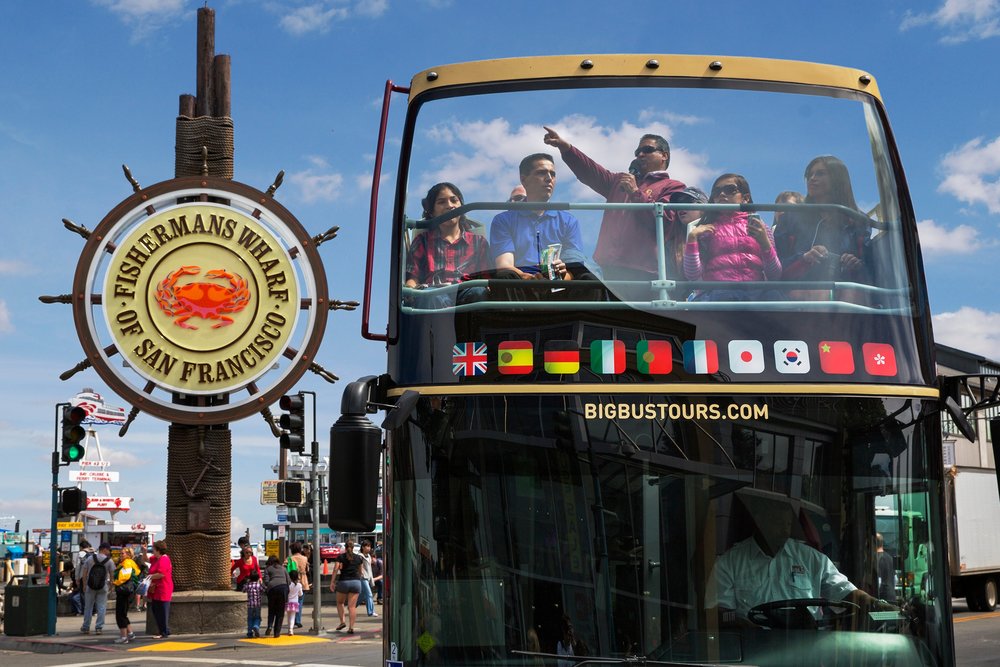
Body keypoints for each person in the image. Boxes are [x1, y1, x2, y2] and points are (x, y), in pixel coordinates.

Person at [708, 491, 891, 628]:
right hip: (753, 646)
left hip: (806, 646)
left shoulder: (811, 559)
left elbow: (845, 591)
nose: (783, 531)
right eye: (776, 524)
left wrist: (877, 604)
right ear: (760, 521)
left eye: (787, 524)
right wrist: (750, 629)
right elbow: (717, 612)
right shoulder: (731, 562)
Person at [543, 127, 687, 297]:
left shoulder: (673, 187)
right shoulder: (619, 181)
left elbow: (664, 224)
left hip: (642, 272)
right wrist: (567, 149)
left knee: (635, 322)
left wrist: (635, 193)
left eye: (647, 150)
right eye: (637, 151)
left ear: (664, 155)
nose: (640, 155)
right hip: (607, 268)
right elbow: (591, 172)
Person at [490, 153, 599, 298]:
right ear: (524, 179)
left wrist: (562, 275)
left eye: (552, 174)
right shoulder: (503, 220)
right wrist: (529, 279)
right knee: (504, 278)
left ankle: (581, 321)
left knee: (590, 281)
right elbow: (504, 266)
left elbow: (574, 269)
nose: (549, 178)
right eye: (541, 173)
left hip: (559, 285)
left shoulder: (568, 221)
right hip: (522, 285)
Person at [775, 156, 870, 295]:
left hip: (845, 294)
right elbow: (774, 266)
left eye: (820, 173)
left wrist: (855, 265)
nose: (812, 178)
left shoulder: (858, 221)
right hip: (797, 294)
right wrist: (804, 258)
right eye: (810, 174)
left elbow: (871, 270)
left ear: (838, 179)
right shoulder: (790, 218)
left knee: (854, 294)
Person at [682, 174, 781, 301]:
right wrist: (692, 239)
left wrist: (765, 243)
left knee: (777, 299)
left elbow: (775, 275)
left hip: (755, 293)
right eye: (716, 192)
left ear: (745, 198)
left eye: (729, 190)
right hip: (719, 293)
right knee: (727, 295)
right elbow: (692, 275)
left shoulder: (760, 228)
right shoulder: (705, 229)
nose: (722, 194)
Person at [405, 182, 492, 308]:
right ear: (431, 212)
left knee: (478, 292)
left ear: (462, 207)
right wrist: (409, 290)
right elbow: (413, 278)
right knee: (429, 297)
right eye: (441, 202)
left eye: (454, 200)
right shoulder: (422, 241)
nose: (449, 206)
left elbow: (486, 278)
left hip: (467, 291)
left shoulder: (479, 242)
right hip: (433, 291)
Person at [329, 538, 364, 634]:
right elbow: (361, 572)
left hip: (343, 582)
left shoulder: (340, 557)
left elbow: (335, 569)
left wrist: (332, 582)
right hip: (356, 583)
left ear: (345, 547)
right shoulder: (359, 558)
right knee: (352, 607)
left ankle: (342, 622)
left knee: (340, 603)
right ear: (353, 548)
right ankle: (351, 627)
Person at [79, 541, 114, 635]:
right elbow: (112, 575)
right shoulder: (109, 561)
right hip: (103, 586)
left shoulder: (90, 558)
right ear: (104, 549)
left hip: (90, 586)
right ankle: (99, 627)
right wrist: (111, 586)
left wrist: (84, 584)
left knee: (88, 607)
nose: (109, 552)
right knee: (101, 607)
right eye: (109, 550)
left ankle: (86, 627)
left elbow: (84, 572)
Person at [112, 547, 139, 644]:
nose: (120, 555)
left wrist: (115, 582)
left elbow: (125, 576)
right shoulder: (129, 562)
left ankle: (124, 637)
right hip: (128, 591)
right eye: (120, 553)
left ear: (128, 554)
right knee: (123, 613)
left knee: (120, 615)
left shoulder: (127, 562)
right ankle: (130, 633)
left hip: (124, 592)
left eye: (122, 553)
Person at [147, 540, 173, 639]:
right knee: (156, 609)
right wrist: (144, 551)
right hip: (156, 589)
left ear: (158, 550)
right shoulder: (156, 558)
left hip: (163, 588)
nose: (152, 550)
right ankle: (163, 630)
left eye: (153, 549)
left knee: (162, 610)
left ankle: (164, 632)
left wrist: (149, 577)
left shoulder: (164, 559)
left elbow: (161, 574)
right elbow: (146, 559)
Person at [263, 554, 290, 638]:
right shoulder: (283, 568)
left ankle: (270, 626)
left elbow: (266, 581)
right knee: (280, 612)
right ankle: (277, 633)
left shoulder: (268, 569)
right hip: (283, 588)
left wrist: (270, 585)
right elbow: (288, 581)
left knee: (272, 610)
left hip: (272, 589)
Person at [288, 541, 309, 628]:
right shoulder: (305, 558)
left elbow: (285, 567)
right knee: (300, 601)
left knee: (292, 600)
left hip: (293, 581)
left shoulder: (290, 558)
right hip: (303, 581)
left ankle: (293, 619)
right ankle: (298, 620)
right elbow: (307, 569)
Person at [356, 540, 378, 617]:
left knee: (362, 595)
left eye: (369, 546)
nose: (369, 548)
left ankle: (352, 606)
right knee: (369, 594)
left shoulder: (368, 556)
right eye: (367, 546)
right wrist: (361, 574)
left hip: (368, 577)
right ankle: (371, 612)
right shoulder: (359, 556)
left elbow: (369, 569)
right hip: (362, 577)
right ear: (363, 547)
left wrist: (371, 579)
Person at [876, 533, 897, 603]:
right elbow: (895, 579)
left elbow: (878, 581)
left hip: (882, 598)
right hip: (892, 596)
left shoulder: (876, 558)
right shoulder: (890, 557)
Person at [244, 569, 264, 638]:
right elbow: (263, 590)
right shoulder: (259, 585)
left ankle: (250, 632)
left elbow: (243, 590)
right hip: (258, 604)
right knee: (257, 617)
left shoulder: (248, 585)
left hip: (250, 605)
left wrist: (247, 582)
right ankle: (256, 626)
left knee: (250, 618)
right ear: (258, 578)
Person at [286, 569, 303, 635]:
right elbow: (300, 594)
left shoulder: (288, 585)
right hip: (295, 602)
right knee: (293, 616)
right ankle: (291, 629)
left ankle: (289, 629)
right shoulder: (299, 585)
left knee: (288, 616)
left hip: (288, 602)